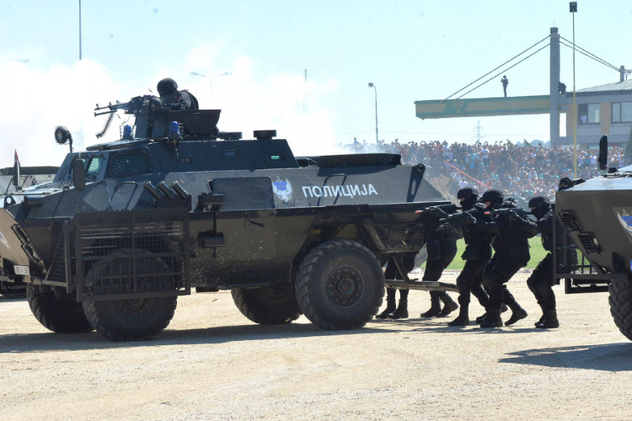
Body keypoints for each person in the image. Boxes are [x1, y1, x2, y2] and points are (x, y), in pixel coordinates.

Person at [478, 192, 535, 328]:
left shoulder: (506, 211)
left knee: (494, 280)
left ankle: (496, 316)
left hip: (515, 254)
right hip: (504, 252)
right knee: (487, 278)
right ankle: (514, 310)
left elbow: (494, 227)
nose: (485, 206)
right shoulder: (500, 213)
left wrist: (476, 222)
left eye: (487, 203)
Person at [445, 187, 495, 327]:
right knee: (474, 284)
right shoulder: (471, 210)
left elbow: (475, 216)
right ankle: (491, 311)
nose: (461, 202)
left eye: (463, 199)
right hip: (477, 250)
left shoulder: (478, 208)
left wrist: (463, 216)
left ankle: (463, 316)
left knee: (463, 281)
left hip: (480, 250)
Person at [522, 196, 559, 328]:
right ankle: (546, 314)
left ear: (542, 206)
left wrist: (520, 220)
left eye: (534, 208)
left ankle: (552, 319)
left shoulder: (551, 215)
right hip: (554, 255)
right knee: (532, 282)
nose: (532, 211)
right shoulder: (546, 215)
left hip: (563, 256)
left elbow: (536, 228)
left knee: (543, 284)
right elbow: (531, 232)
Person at [418, 218, 459, 318]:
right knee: (430, 278)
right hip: (441, 247)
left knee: (430, 279)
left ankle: (448, 302)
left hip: (441, 248)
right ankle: (436, 306)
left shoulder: (441, 217)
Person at [376, 253, 416, 319]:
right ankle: (391, 306)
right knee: (388, 274)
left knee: (401, 276)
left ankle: (403, 308)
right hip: (397, 252)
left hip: (407, 252)